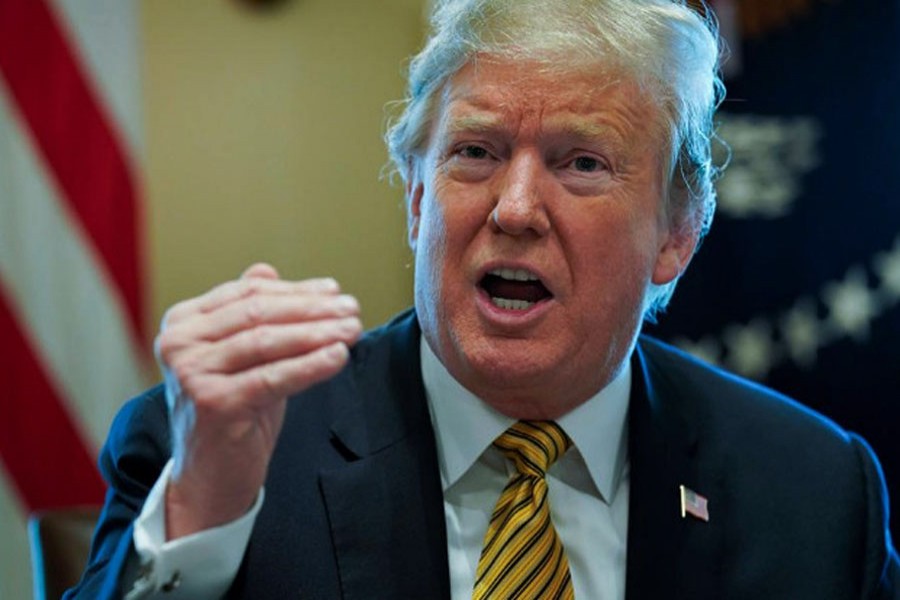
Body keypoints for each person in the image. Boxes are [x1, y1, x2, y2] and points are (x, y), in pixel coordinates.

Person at [68, 0, 899, 598]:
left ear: (676, 233)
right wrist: (203, 507)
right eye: (475, 151)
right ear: (418, 199)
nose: (514, 208)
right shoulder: (223, 451)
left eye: (581, 163)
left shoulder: (815, 493)